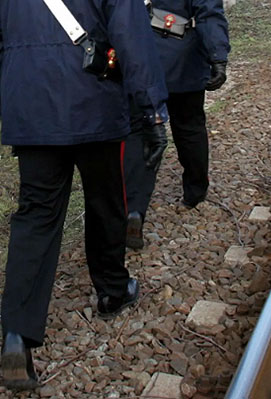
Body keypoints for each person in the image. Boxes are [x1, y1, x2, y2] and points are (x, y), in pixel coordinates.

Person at [0, 0, 169, 390]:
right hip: (94, 98)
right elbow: (132, 36)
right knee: (106, 199)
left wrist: (16, 92)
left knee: (36, 214)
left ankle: (16, 336)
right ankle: (111, 290)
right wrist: (152, 111)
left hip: (31, 106)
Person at [124, 0, 231, 250]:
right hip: (184, 57)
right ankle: (195, 192)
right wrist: (218, 56)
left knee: (141, 132)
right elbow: (208, 12)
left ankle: (135, 208)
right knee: (189, 126)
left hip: (141, 57)